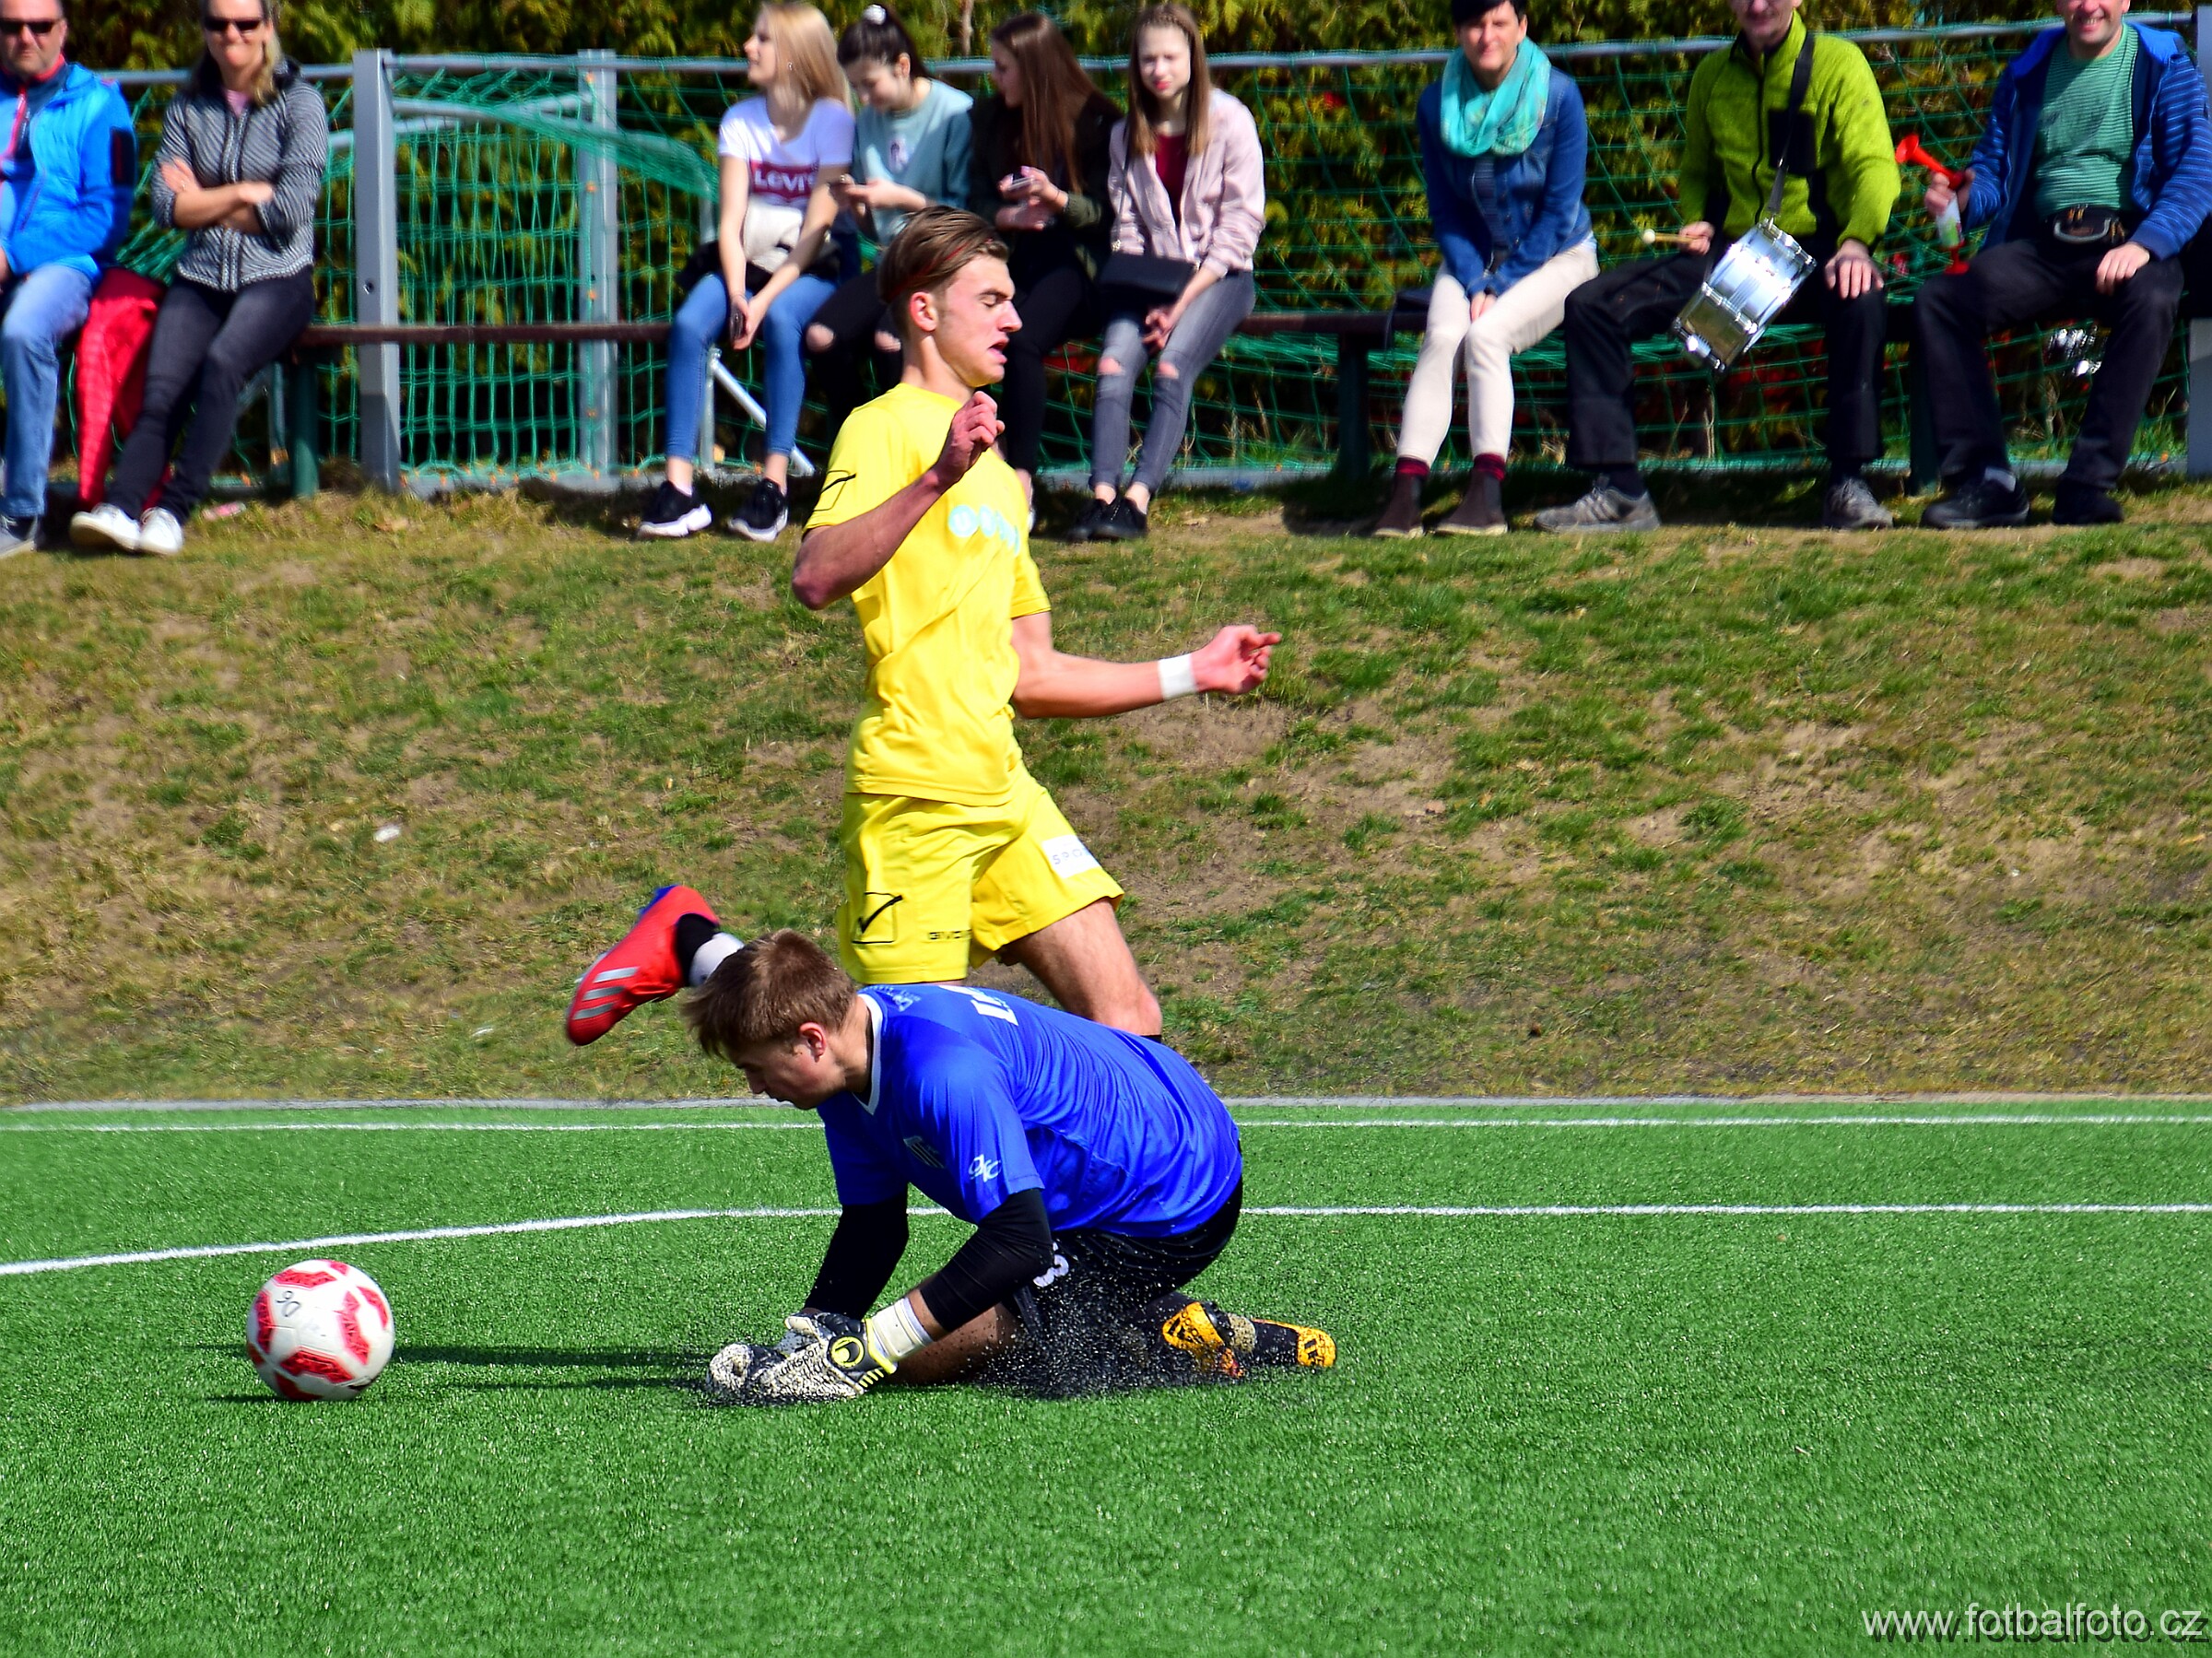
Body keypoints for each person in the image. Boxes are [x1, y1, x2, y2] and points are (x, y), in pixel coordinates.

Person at [567, 208, 1277, 1050]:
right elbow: (814, 575)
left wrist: (1194, 670)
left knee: (1129, 1021)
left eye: (1013, 301)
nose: (1015, 320)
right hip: (913, 797)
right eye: (992, 300)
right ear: (925, 310)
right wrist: (937, 476)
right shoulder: (882, 427)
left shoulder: (1001, 478)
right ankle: (692, 943)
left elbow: (1033, 671)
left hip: (1005, 794)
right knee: (875, 1057)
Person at [616, 922, 1336, 1402]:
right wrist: (813, 1332)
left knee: (965, 1354)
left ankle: (1190, 1335)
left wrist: (865, 1353)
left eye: (754, 1067)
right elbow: (873, 1225)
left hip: (1179, 1187)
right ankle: (1149, 1320)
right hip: (1139, 1138)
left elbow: (1019, 1240)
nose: (753, 1087)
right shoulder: (846, 1063)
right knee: (998, 1325)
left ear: (809, 1039)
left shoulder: (939, 1070)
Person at [1534, 0, 1899, 535]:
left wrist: (1857, 243)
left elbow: (1874, 166)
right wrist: (1697, 219)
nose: (1758, 5)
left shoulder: (1840, 64)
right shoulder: (1710, 75)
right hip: (1735, 255)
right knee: (1592, 306)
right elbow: (1697, 170)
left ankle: (1850, 483)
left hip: (1823, 253)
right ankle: (1620, 492)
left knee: (1862, 299)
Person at [1913, 0, 2211, 528]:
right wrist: (1960, 201)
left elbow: (2196, 172)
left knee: (2153, 298)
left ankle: (2087, 483)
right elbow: (1992, 172)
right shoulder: (2026, 72)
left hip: (2131, 239)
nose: (2088, 6)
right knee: (1941, 302)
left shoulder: (2165, 64)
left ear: (2125, 2)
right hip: (2043, 247)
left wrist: (2145, 245)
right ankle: (1988, 482)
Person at [69, 0, 324, 559]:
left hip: (279, 277)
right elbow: (166, 206)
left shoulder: (301, 102)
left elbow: (290, 210)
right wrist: (242, 194)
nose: (231, 33)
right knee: (162, 390)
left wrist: (202, 201)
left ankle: (173, 511)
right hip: (202, 275)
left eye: (246, 22)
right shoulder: (188, 106)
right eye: (217, 22)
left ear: (268, 27)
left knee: (222, 364)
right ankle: (121, 507)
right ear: (204, 30)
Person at [1372, 0, 1594, 539]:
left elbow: (1558, 213)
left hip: (1558, 257)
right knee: (1442, 335)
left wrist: (1501, 284)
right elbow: (1445, 213)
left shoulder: (1560, 97)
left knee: (1486, 337)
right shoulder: (1435, 104)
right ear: (1458, 31)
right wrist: (1475, 279)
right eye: (1475, 24)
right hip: (1474, 260)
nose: (1487, 35)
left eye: (1499, 22)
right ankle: (1404, 497)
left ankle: (1487, 498)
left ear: (1522, 27)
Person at [639, 2, 852, 544]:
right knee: (690, 325)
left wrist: (760, 303)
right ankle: (679, 490)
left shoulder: (833, 120)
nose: (747, 48)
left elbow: (816, 232)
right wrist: (737, 294)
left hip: (810, 264)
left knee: (782, 321)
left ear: (795, 55)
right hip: (747, 261)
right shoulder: (740, 120)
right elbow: (731, 222)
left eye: (762, 39)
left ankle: (774, 486)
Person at [1068, 6, 1264, 544]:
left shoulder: (1231, 121)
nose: (1159, 69)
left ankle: (1137, 500)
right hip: (1149, 284)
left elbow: (1239, 229)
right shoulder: (1125, 135)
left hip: (1220, 279)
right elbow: (1128, 228)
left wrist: (1178, 306)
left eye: (1171, 57)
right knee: (1112, 364)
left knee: (1172, 367)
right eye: (1148, 59)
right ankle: (1102, 497)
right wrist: (1149, 292)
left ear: (1192, 58)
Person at [802, 4, 972, 442]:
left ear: (902, 66)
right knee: (821, 337)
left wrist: (902, 198)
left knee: (890, 341)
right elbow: (876, 231)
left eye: (869, 83)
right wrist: (855, 204)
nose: (862, 97)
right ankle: (861, 444)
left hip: (940, 264)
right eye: (854, 86)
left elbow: (966, 218)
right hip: (891, 262)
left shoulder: (955, 113)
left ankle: (923, 450)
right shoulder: (867, 122)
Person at [967, 12, 1118, 507]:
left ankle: (1022, 483)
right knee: (964, 330)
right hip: (1014, 256)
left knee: (1021, 338)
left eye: (1003, 67)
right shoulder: (991, 121)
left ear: (1034, 70)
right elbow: (973, 200)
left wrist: (1056, 199)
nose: (994, 78)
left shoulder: (1097, 122)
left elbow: (1109, 216)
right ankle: (980, 465)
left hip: (1078, 264)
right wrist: (1009, 215)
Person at [0, 0, 132, 559]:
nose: (26, 37)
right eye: (12, 26)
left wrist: (13, 257)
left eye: (40, 25)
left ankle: (21, 514)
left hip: (67, 264)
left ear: (63, 30)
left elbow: (106, 218)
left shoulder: (101, 104)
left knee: (23, 331)